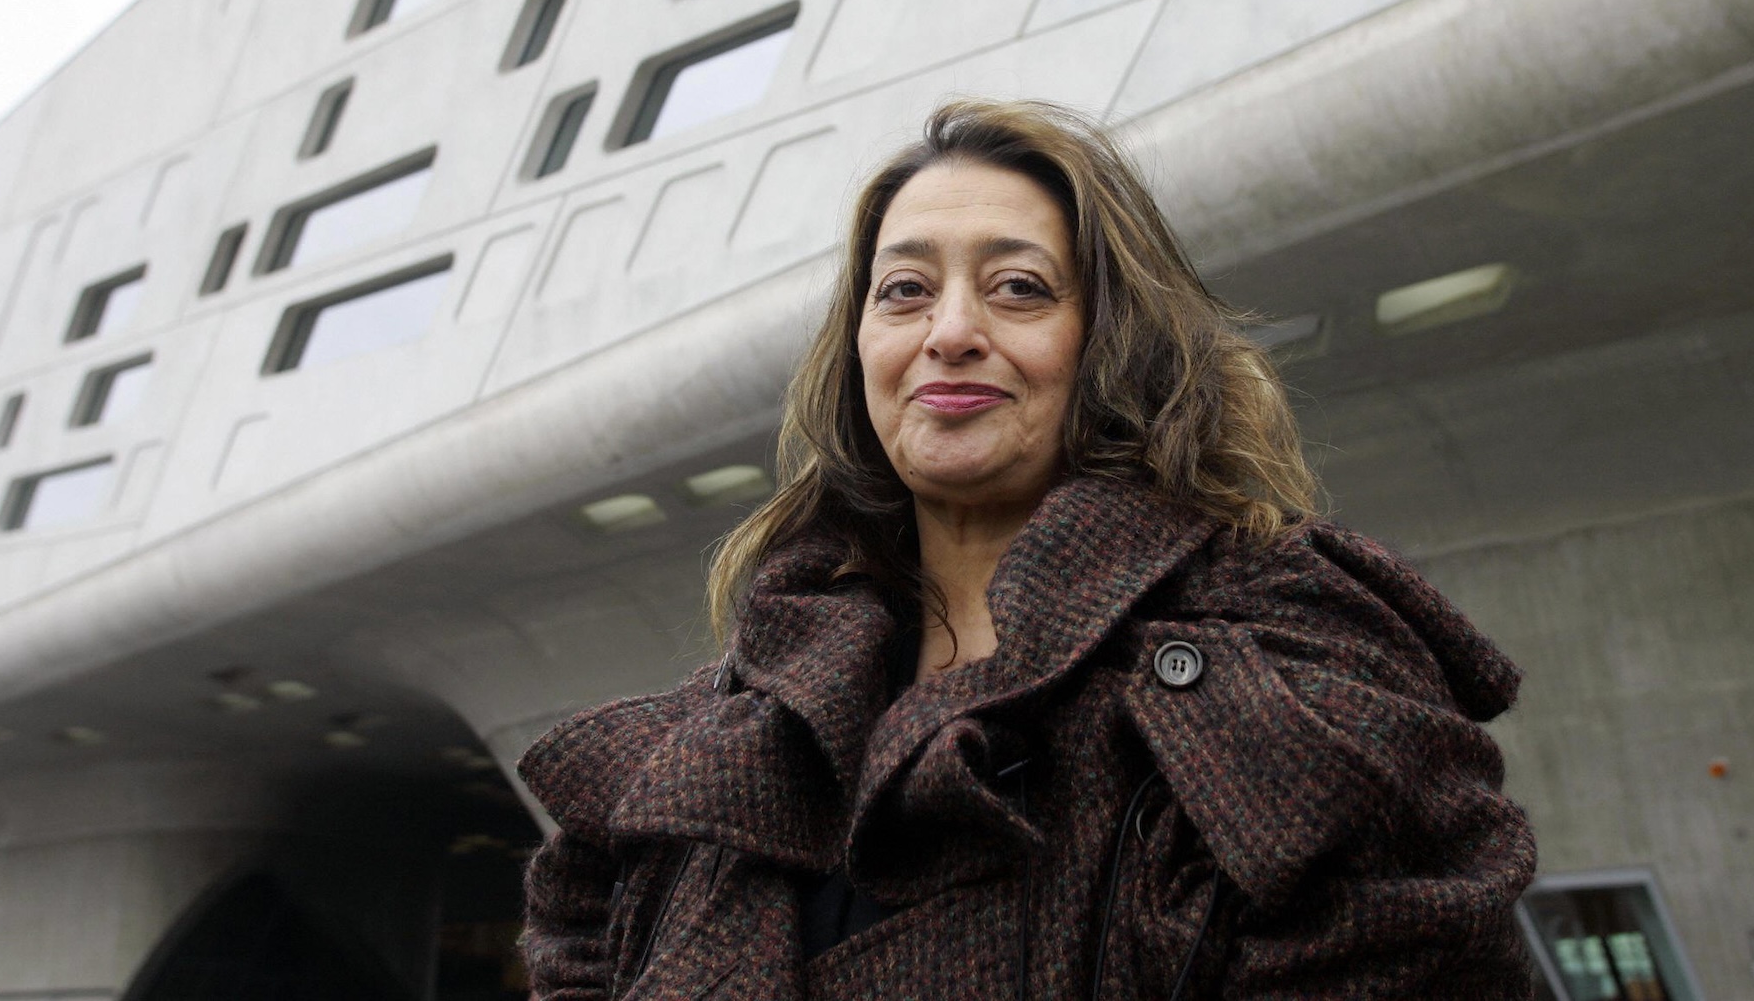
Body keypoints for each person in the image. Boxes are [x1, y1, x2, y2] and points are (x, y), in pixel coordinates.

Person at [516, 100, 1537, 998]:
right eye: (903, 291)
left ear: (1111, 339)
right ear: (859, 348)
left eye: (1016, 288)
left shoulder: (1288, 652)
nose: (948, 331)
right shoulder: (744, 720)